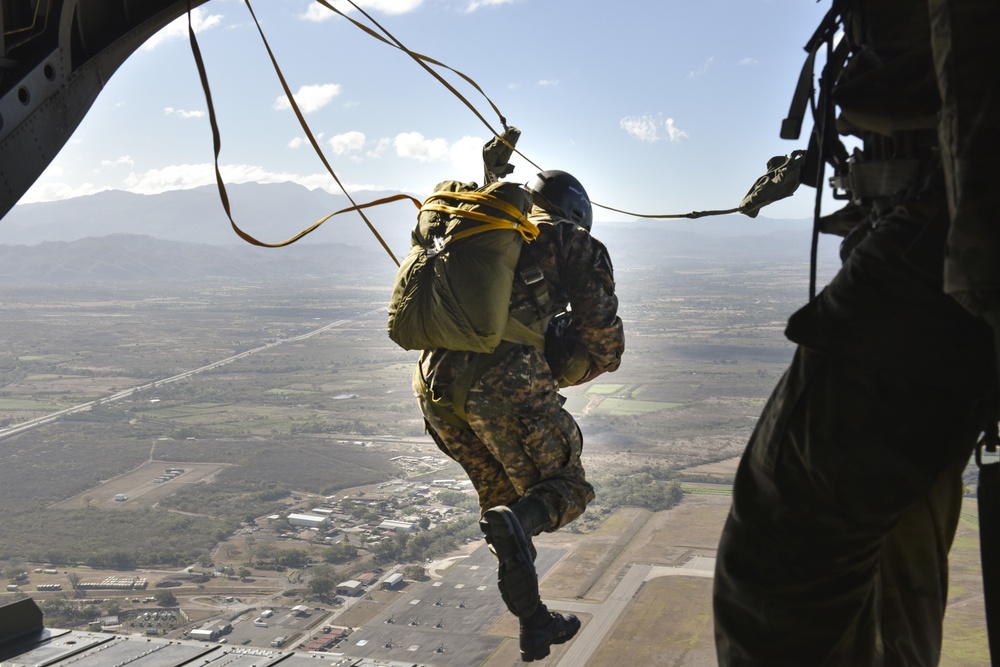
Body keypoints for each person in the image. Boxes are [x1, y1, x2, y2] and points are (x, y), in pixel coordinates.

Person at [713, 1, 1000, 665]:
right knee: (892, 533)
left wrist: (981, 263)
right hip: (930, 216)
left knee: (785, 544)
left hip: (943, 230)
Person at [414, 170, 625, 662]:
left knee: (503, 509)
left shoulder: (486, 229)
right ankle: (521, 551)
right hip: (503, 385)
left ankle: (534, 624)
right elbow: (602, 336)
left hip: (436, 388)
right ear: (575, 211)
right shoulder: (567, 239)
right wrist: (578, 350)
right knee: (566, 486)